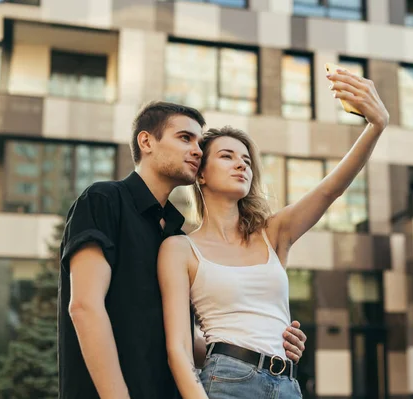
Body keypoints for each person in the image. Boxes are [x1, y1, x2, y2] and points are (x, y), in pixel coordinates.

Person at [157, 68, 389, 398]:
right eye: (227, 156)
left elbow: (329, 190)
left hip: (287, 383)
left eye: (247, 161)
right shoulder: (180, 249)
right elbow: (179, 347)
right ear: (202, 175)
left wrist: (375, 127)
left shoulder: (273, 233)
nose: (241, 165)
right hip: (226, 381)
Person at [57, 101, 307, 399]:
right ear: (146, 141)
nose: (198, 151)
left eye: (200, 144)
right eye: (185, 138)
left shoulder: (175, 236)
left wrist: (267, 347)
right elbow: (84, 307)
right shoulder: (104, 200)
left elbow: (179, 338)